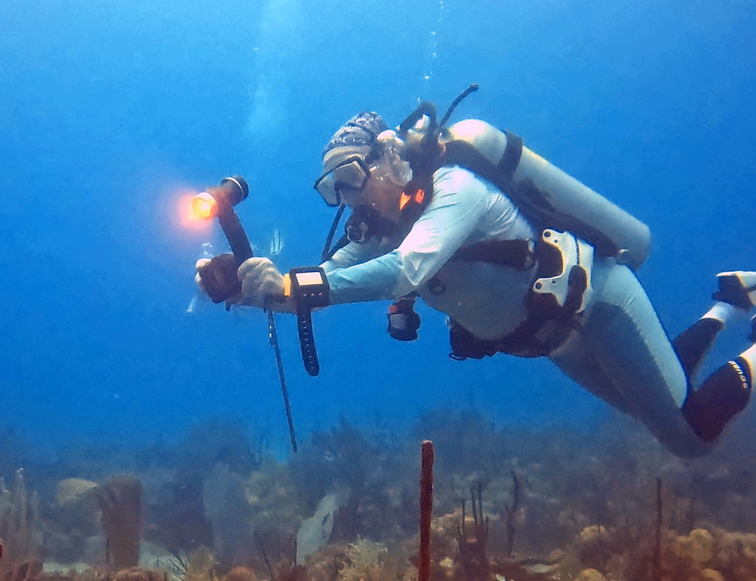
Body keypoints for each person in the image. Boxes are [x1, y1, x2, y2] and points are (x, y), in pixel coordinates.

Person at [195, 110, 756, 458]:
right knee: (657, 402)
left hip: (603, 304)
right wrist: (249, 284)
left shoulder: (453, 190)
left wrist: (296, 291)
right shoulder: (382, 229)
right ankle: (729, 306)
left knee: (688, 438)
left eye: (351, 179)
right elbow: (330, 276)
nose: (348, 199)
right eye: (333, 190)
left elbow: (402, 272)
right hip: (553, 339)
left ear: (389, 159)